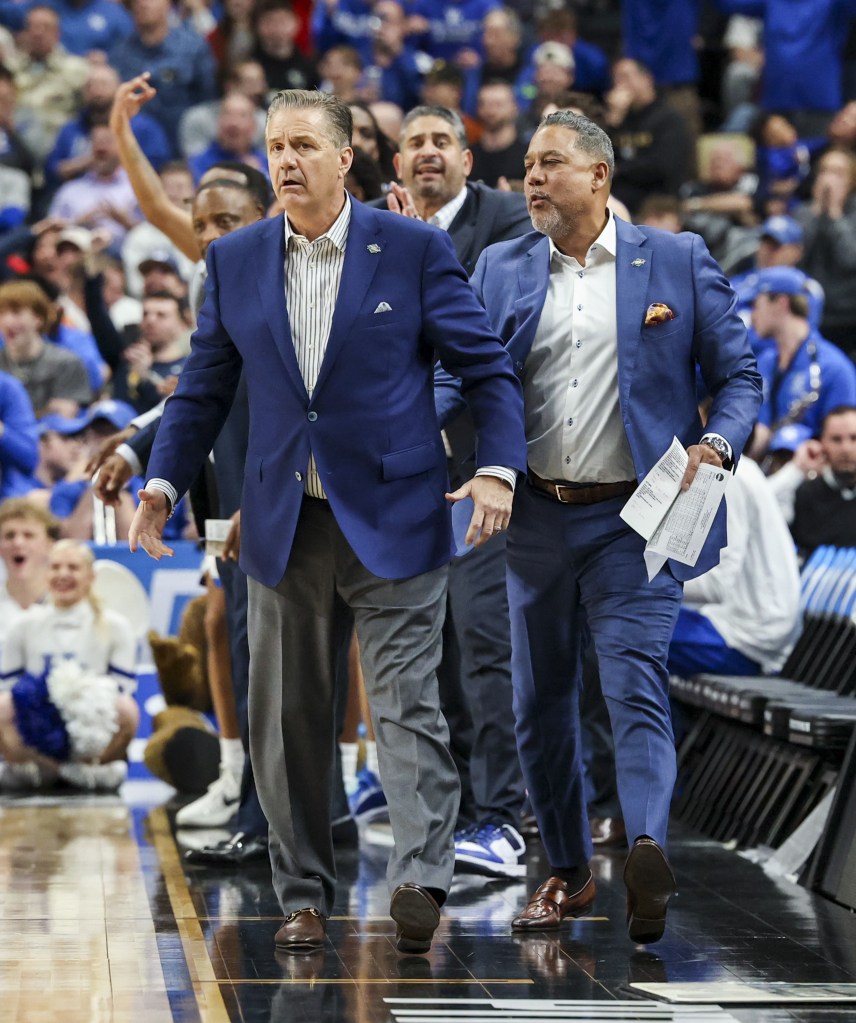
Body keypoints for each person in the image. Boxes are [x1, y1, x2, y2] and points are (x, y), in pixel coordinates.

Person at [128, 88, 527, 955]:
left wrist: (496, 468)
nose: (286, 160)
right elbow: (202, 391)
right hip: (283, 522)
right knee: (287, 723)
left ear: (346, 158)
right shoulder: (232, 260)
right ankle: (304, 892)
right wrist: (162, 483)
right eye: (276, 146)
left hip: (397, 512)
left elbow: (488, 369)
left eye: (305, 144)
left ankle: (422, 878)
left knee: (406, 705)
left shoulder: (413, 249)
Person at [436, 110, 761, 943]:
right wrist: (414, 436)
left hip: (639, 518)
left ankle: (647, 844)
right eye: (525, 168)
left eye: (549, 164)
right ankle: (570, 874)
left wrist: (717, 442)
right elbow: (458, 375)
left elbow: (740, 377)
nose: (531, 179)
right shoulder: (502, 266)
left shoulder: (678, 260)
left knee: (634, 681)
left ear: (600, 175)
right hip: (536, 512)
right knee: (538, 705)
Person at [0, 539, 139, 791]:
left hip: (92, 727)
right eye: (55, 567)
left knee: (128, 709)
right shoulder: (22, 625)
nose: (63, 574)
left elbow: (123, 690)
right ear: (46, 573)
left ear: (90, 576)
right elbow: (9, 687)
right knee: (2, 706)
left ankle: (89, 767)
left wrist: (81, 700)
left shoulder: (116, 626)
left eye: (73, 568)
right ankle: (42, 767)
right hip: (36, 726)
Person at [748, 266, 856, 458]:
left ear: (781, 303)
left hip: (814, 475)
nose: (753, 315)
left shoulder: (834, 368)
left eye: (756, 304)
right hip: (766, 471)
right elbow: (761, 431)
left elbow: (847, 445)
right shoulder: (764, 362)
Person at [767, 405, 856, 555]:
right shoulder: (803, 493)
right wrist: (796, 468)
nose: (846, 448)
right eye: (836, 439)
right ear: (822, 442)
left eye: (854, 438)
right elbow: (759, 507)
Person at [0, 498, 56, 655]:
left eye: (28, 535)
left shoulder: (66, 604)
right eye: (9, 535)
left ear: (49, 546)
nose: (18, 543)